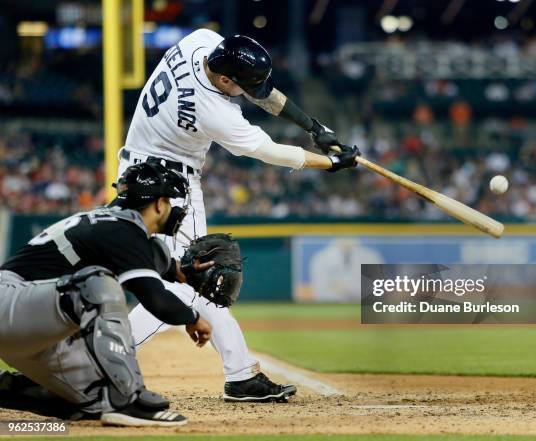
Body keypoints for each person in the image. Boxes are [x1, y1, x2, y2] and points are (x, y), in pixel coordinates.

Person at [120, 30, 360, 402]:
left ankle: (241, 374)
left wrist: (314, 128)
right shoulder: (213, 111)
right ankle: (97, 357)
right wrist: (328, 162)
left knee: (194, 279)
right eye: (240, 86)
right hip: (168, 186)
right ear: (225, 79)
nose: (249, 93)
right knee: (189, 281)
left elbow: (261, 93)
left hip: (140, 173)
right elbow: (271, 153)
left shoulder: (199, 42)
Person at [0, 162, 213, 426]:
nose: (172, 208)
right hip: (9, 303)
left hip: (30, 327)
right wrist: (192, 316)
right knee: (98, 284)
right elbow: (156, 300)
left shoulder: (113, 224)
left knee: (95, 400)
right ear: (159, 204)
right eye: (169, 200)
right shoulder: (121, 229)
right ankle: (130, 399)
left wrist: (180, 270)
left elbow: (146, 258)